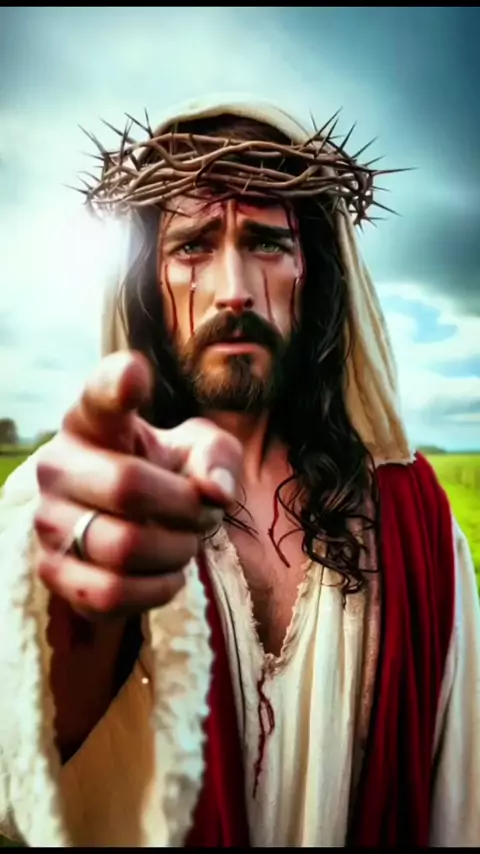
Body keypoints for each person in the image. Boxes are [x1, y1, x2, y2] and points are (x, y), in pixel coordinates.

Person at [0, 95, 479, 848]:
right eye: (192, 246)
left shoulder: (417, 524)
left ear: (315, 275)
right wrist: (72, 627)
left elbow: (461, 804)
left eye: (266, 242)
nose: (234, 288)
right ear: (147, 284)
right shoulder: (62, 498)